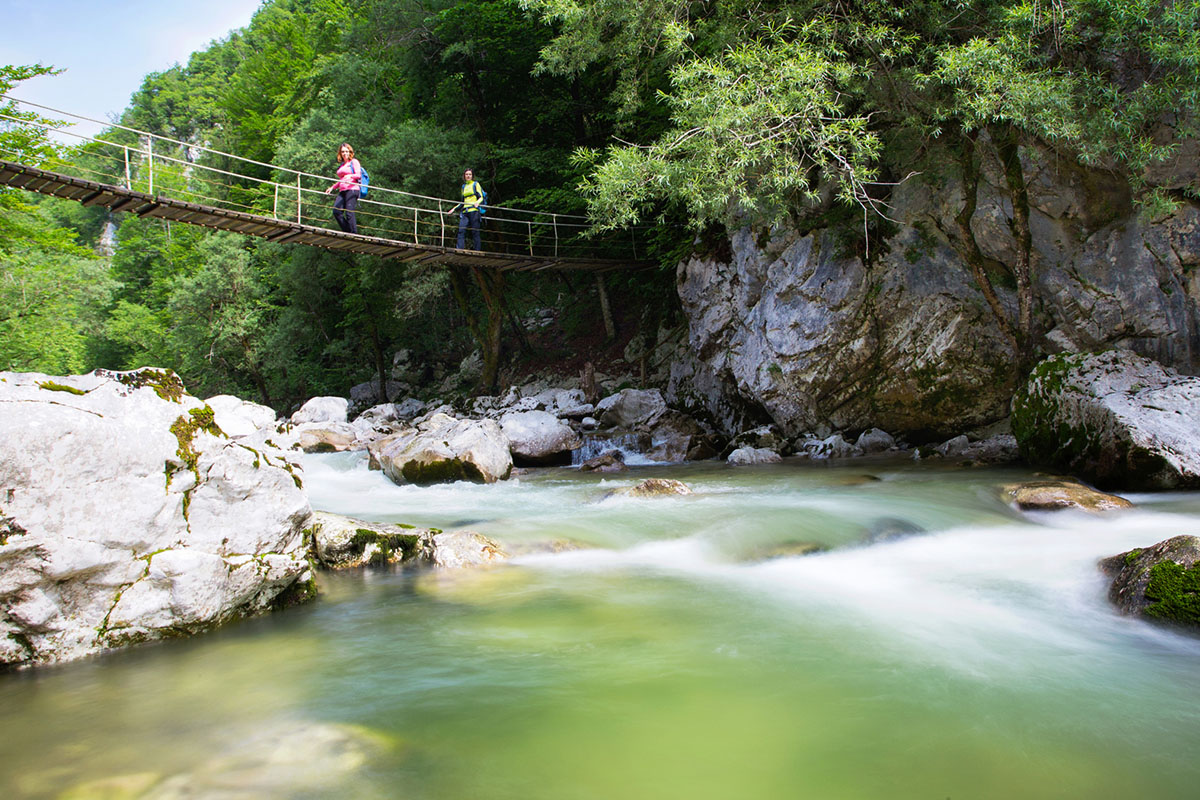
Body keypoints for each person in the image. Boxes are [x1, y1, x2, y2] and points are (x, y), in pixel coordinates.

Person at [325, 143, 362, 234]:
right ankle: (348, 231)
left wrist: (350, 176)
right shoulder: (342, 165)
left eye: (346, 151)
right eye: (342, 152)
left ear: (350, 152)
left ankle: (354, 234)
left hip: (352, 189)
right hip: (343, 190)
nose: (345, 153)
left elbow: (358, 175)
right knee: (336, 211)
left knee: (349, 212)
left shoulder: (354, 162)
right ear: (340, 153)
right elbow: (341, 180)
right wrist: (332, 187)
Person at [454, 168, 485, 250]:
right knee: (461, 230)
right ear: (464, 176)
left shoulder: (475, 184)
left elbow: (481, 197)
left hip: (474, 211)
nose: (468, 176)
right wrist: (454, 209)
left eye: (470, 174)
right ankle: (459, 249)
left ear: (472, 176)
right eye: (466, 174)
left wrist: (477, 202)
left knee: (475, 231)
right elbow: (462, 201)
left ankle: (477, 250)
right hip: (465, 211)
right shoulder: (463, 186)